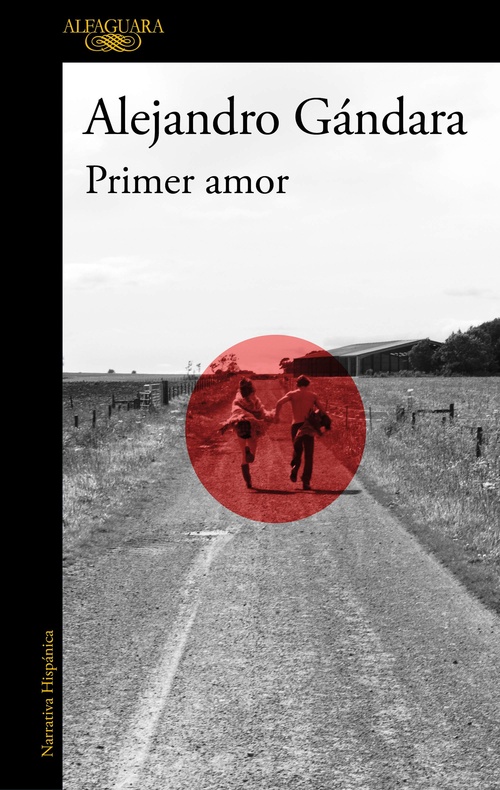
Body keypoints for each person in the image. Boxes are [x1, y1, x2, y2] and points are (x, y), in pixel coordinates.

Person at [274, 375, 328, 490]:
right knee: (309, 454)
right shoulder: (313, 396)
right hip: (308, 426)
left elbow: (279, 403)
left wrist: (276, 416)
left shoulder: (292, 394)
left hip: (296, 425)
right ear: (308, 384)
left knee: (297, 450)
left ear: (297, 384)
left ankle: (295, 466)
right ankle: (306, 481)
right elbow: (323, 411)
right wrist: (317, 418)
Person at [220, 378, 274, 489]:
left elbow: (236, 413)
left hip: (241, 429)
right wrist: (268, 416)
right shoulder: (256, 402)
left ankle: (248, 481)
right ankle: (250, 453)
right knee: (252, 456)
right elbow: (262, 413)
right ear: (252, 389)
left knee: (244, 457)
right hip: (252, 429)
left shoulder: (237, 401)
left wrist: (241, 417)